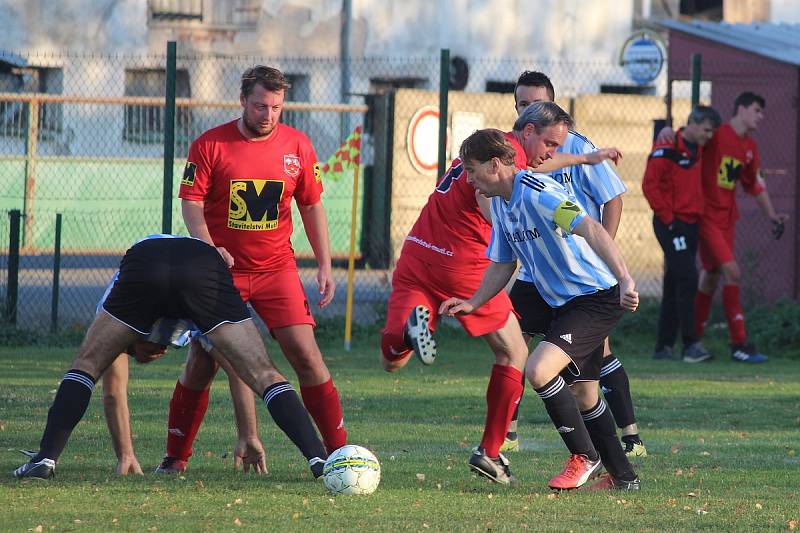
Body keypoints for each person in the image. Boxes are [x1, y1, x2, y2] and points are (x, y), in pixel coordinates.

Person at [379, 97, 620, 485]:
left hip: (416, 253)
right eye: (550, 144)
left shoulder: (491, 147)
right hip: (464, 264)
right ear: (528, 133)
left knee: (393, 362)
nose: (552, 153)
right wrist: (514, 227)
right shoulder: (498, 169)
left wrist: (583, 161)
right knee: (515, 353)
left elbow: (535, 168)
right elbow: (490, 196)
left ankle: (402, 339)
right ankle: (492, 451)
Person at [12, 235, 328, 480]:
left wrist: (248, 435)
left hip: (150, 262)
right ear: (130, 342)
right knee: (265, 373)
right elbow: (113, 391)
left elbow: (235, 370)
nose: (160, 351)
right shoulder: (149, 322)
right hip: (201, 265)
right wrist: (126, 454)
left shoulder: (116, 302)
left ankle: (44, 459)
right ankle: (319, 460)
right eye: (151, 349)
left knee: (85, 365)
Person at [441, 118, 641, 491]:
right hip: (563, 304)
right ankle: (624, 478)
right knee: (584, 393)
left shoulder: (538, 192)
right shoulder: (500, 203)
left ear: (494, 165)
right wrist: (472, 302)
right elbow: (503, 263)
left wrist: (626, 279)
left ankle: (586, 455)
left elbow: (592, 228)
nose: (468, 180)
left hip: (595, 298)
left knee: (539, 368)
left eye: (471, 171)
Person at [172, 65, 347, 469]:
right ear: (242, 101)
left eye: (276, 107)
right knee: (204, 360)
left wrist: (324, 262)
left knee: (306, 355)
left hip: (276, 270)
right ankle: (175, 458)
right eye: (260, 106)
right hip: (221, 273)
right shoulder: (209, 144)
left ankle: (339, 453)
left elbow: (311, 204)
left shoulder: (298, 146)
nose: (268, 115)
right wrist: (209, 247)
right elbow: (191, 203)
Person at [506, 71, 646, 458]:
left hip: (578, 276)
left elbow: (611, 200)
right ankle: (506, 433)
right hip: (536, 275)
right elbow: (531, 174)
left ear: (551, 104)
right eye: (521, 105)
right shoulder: (513, 152)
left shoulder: (571, 144)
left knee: (592, 359)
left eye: (535, 103)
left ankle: (626, 439)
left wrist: (603, 256)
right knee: (511, 343)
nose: (528, 110)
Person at [693, 92, 788, 363]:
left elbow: (755, 184)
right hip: (708, 216)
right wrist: (666, 131)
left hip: (727, 220)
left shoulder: (750, 148)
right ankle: (739, 344)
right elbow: (689, 138)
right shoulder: (717, 133)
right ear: (741, 109)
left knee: (711, 276)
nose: (760, 116)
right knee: (733, 273)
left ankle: (693, 339)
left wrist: (772, 215)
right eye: (757, 110)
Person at [642, 106, 721, 363]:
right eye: (707, 130)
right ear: (694, 124)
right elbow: (649, 186)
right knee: (688, 277)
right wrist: (669, 219)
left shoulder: (699, 147)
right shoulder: (666, 148)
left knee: (675, 281)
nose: (710, 136)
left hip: (690, 223)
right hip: (671, 224)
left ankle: (662, 347)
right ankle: (691, 344)